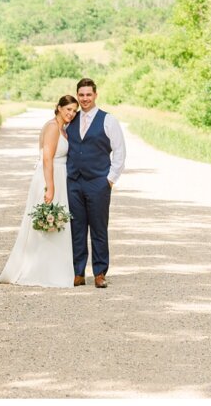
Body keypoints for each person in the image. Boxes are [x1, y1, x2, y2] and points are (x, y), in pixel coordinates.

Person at [0, 95, 79, 287]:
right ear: (58, 107)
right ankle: (38, 269)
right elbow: (47, 158)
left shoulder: (62, 129)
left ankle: (53, 268)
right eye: (68, 109)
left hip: (58, 176)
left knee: (56, 223)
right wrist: (50, 187)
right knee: (46, 220)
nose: (71, 114)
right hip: (50, 177)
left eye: (74, 111)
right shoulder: (51, 127)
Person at [66, 78, 126, 288]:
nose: (84, 99)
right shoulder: (70, 118)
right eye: (81, 95)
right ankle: (78, 272)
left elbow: (119, 151)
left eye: (88, 95)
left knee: (99, 229)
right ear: (77, 95)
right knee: (77, 228)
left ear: (95, 95)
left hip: (98, 183)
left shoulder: (108, 120)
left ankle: (100, 273)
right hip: (74, 182)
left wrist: (109, 180)